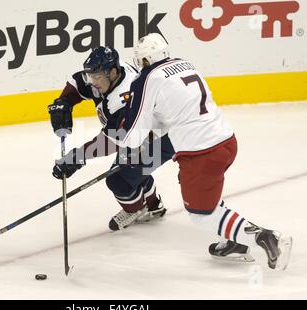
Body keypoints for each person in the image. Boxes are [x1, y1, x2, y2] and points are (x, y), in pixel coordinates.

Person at [117, 33, 293, 270]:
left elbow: (134, 134)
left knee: (201, 213)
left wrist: (124, 143)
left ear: (147, 59)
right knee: (208, 194)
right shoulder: (185, 64)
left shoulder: (148, 79)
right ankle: (234, 241)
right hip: (226, 141)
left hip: (201, 153)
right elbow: (176, 110)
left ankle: (266, 238)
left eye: (141, 60)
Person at [47, 46, 175, 231]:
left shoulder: (125, 98)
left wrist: (78, 157)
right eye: (92, 76)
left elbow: (113, 140)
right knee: (132, 172)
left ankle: (137, 209)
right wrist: (64, 102)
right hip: (136, 134)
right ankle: (154, 206)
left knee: (119, 180)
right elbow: (78, 82)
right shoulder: (108, 73)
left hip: (157, 139)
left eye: (97, 77)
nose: (92, 82)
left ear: (113, 72)